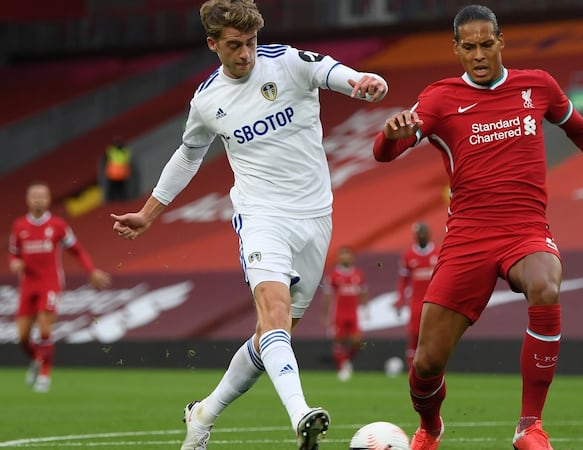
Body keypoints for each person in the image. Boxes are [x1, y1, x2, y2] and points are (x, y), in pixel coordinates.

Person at [109, 1, 387, 449]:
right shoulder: (207, 101)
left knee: (269, 338)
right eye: (235, 45)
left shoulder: (287, 62)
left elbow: (332, 72)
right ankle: (302, 415)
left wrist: (360, 82)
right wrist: (148, 213)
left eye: (251, 42)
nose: (246, 54)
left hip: (315, 217)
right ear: (212, 44)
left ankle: (202, 415)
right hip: (261, 217)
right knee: (273, 313)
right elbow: (188, 155)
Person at [371, 5, 583, 449]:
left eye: (486, 44)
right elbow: (384, 154)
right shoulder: (439, 99)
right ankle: (430, 426)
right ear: (456, 49)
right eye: (469, 47)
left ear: (501, 41)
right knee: (425, 364)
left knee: (546, 286)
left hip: (525, 229)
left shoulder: (537, 86)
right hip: (468, 238)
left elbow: (581, 130)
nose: (479, 54)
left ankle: (529, 426)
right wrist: (390, 134)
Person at [8, 181, 111, 393]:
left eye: (42, 196)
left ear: (48, 200)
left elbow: (77, 250)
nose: (38, 199)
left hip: (49, 282)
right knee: (23, 337)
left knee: (45, 329)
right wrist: (14, 261)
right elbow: (13, 252)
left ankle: (45, 375)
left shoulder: (58, 226)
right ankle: (38, 359)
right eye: (34, 195)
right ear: (28, 200)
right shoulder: (19, 226)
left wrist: (91, 270)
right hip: (28, 284)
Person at [320, 246, 368, 382]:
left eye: (348, 255)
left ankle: (345, 361)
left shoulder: (358, 274)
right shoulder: (334, 275)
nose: (345, 257)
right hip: (339, 314)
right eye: (343, 255)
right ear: (339, 258)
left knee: (357, 341)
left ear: (352, 257)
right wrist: (325, 314)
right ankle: (342, 368)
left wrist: (366, 309)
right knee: (339, 341)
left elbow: (363, 292)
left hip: (353, 314)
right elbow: (327, 296)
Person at [394, 222, 438, 370]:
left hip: (435, 302)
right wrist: (400, 300)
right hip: (416, 302)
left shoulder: (438, 253)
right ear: (415, 236)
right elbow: (403, 281)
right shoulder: (408, 256)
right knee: (414, 336)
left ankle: (433, 369)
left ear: (429, 234)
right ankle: (412, 370)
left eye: (424, 232)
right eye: (419, 233)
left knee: (434, 336)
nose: (422, 235)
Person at [103, 135, 133, 202]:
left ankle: (122, 201)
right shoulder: (112, 150)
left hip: (120, 174)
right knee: (113, 189)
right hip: (114, 174)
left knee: (121, 189)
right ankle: (111, 201)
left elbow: (127, 162)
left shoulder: (124, 151)